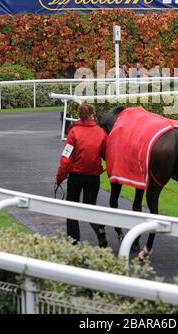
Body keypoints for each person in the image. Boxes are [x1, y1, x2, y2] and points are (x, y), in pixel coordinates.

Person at [55, 103, 108, 247]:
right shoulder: (101, 133)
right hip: (93, 177)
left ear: (79, 115)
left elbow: (66, 158)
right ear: (92, 115)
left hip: (76, 176)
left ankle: (74, 242)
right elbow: (106, 155)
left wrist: (60, 177)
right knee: (90, 207)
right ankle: (99, 229)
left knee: (72, 208)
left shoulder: (73, 132)